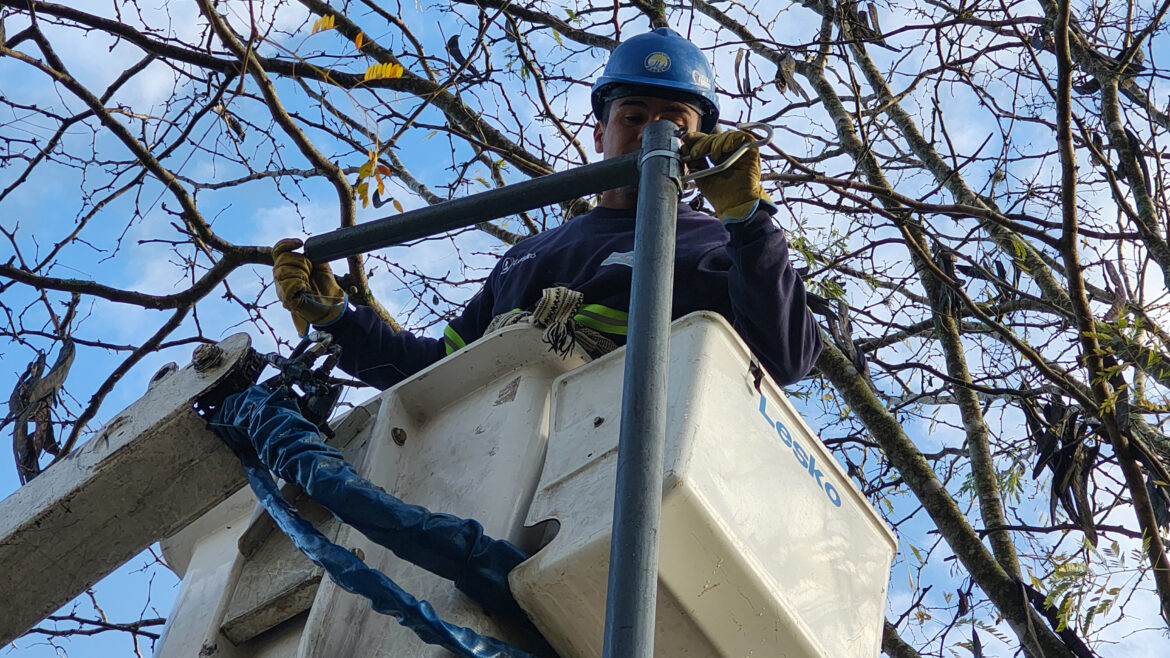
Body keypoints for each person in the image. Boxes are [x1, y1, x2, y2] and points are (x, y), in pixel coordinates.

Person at [273, 27, 822, 389]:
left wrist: (748, 221)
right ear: (599, 131)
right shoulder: (530, 255)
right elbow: (436, 375)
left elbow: (787, 356)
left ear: (701, 143)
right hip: (494, 464)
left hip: (619, 468)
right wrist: (340, 323)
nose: (654, 134)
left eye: (676, 123)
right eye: (633, 116)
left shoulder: (714, 246)